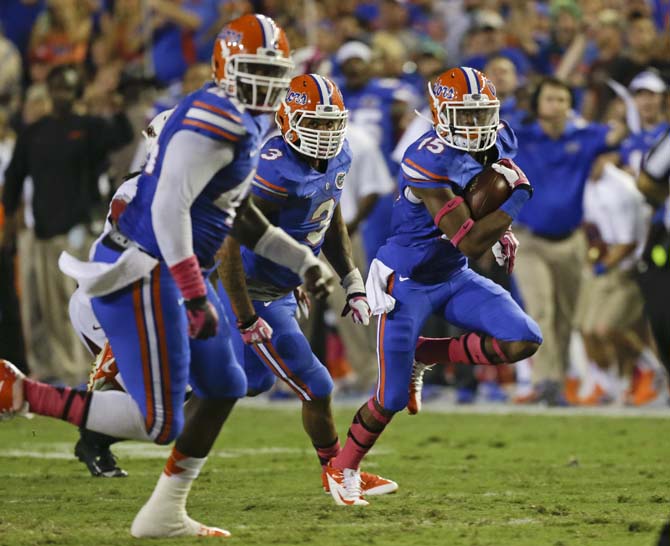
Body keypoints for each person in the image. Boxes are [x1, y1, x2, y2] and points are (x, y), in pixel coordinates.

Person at [0, 14, 333, 538]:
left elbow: (241, 216)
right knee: (160, 422)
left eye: (273, 71)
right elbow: (169, 211)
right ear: (226, 68)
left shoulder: (242, 122)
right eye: (254, 69)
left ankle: (163, 512)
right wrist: (196, 293)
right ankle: (20, 393)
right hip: (144, 272)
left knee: (225, 383)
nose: (265, 83)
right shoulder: (213, 122)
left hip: (174, 273)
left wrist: (304, 261)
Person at [323, 67, 542, 506]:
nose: (478, 126)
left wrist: (500, 227)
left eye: (484, 115)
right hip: (404, 280)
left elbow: (481, 202)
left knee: (524, 338)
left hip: (451, 274)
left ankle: (428, 352)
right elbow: (470, 238)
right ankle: (342, 468)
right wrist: (513, 204)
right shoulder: (424, 157)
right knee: (389, 398)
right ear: (441, 114)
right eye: (467, 115)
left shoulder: (499, 139)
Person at [217, 73, 397, 497]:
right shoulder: (273, 168)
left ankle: (164, 380)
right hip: (248, 290)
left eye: (331, 123)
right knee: (316, 384)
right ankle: (338, 470)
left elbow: (327, 214)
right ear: (287, 118)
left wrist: (351, 279)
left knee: (247, 383)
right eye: (314, 124)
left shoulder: (339, 156)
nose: (325, 134)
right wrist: (245, 317)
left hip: (277, 290)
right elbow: (229, 247)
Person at [2, 64, 134, 385]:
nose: (62, 95)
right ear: (50, 91)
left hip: (75, 231)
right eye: (57, 89)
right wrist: (8, 226)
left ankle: (76, 370)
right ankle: (46, 369)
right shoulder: (35, 131)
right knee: (37, 307)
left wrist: (115, 105)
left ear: (76, 94)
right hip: (40, 230)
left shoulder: (87, 127)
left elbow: (122, 135)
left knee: (70, 303)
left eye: (67, 89)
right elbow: (15, 178)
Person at [512, 76, 627, 405]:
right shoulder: (521, 136)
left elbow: (618, 138)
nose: (557, 105)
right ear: (536, 105)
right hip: (529, 240)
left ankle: (556, 382)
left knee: (566, 317)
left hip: (571, 241)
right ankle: (545, 379)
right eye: (550, 99)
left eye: (563, 99)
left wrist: (620, 125)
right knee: (541, 310)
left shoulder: (586, 137)